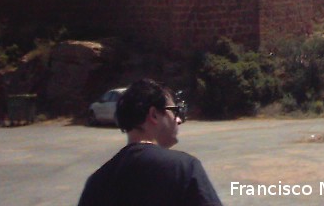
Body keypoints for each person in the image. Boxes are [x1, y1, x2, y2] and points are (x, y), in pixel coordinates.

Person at [77, 78, 222, 206]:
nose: (178, 120)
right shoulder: (183, 168)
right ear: (153, 115)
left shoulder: (97, 182)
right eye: (174, 111)